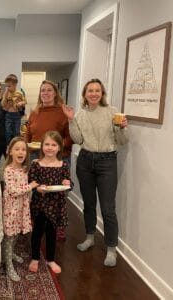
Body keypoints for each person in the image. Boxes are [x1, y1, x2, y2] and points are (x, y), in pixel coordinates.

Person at [62, 78, 128, 267]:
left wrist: (123, 128)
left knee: (108, 208)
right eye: (90, 90)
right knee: (89, 204)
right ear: (85, 94)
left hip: (107, 162)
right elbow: (77, 139)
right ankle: (90, 237)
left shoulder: (113, 112)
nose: (93, 93)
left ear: (102, 93)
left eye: (97, 90)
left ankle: (111, 248)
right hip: (85, 160)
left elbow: (122, 140)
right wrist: (70, 120)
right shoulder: (80, 115)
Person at [26, 80, 73, 241]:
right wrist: (26, 144)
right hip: (36, 157)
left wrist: (55, 147)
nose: (45, 93)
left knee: (58, 194)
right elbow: (28, 133)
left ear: (55, 93)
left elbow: (70, 136)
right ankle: (37, 222)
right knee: (38, 192)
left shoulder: (62, 111)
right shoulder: (34, 112)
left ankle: (58, 225)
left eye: (49, 90)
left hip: (59, 158)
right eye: (42, 90)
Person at [28, 131, 71, 274]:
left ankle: (51, 259)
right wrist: (37, 188)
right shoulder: (36, 164)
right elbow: (31, 182)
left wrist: (67, 182)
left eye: (54, 145)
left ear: (59, 147)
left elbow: (69, 184)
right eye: (47, 144)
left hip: (56, 204)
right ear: (41, 146)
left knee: (52, 233)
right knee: (37, 232)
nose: (50, 147)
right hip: (40, 203)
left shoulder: (63, 165)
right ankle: (35, 257)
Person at [3, 136, 39, 281]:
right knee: (9, 237)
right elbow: (13, 190)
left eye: (23, 149)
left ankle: (10, 253)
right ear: (10, 151)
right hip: (11, 209)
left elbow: (24, 191)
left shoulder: (25, 169)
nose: (21, 152)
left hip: (21, 208)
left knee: (17, 232)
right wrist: (30, 186)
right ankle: (8, 265)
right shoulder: (8, 170)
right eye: (17, 149)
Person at [1, 74, 27, 145]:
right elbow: (3, 104)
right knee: (8, 131)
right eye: (6, 86)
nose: (7, 88)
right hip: (8, 115)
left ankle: (16, 145)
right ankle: (8, 145)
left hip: (17, 115)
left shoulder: (20, 93)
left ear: (15, 85)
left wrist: (21, 103)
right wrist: (5, 94)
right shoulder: (6, 93)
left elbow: (25, 102)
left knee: (16, 132)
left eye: (9, 86)